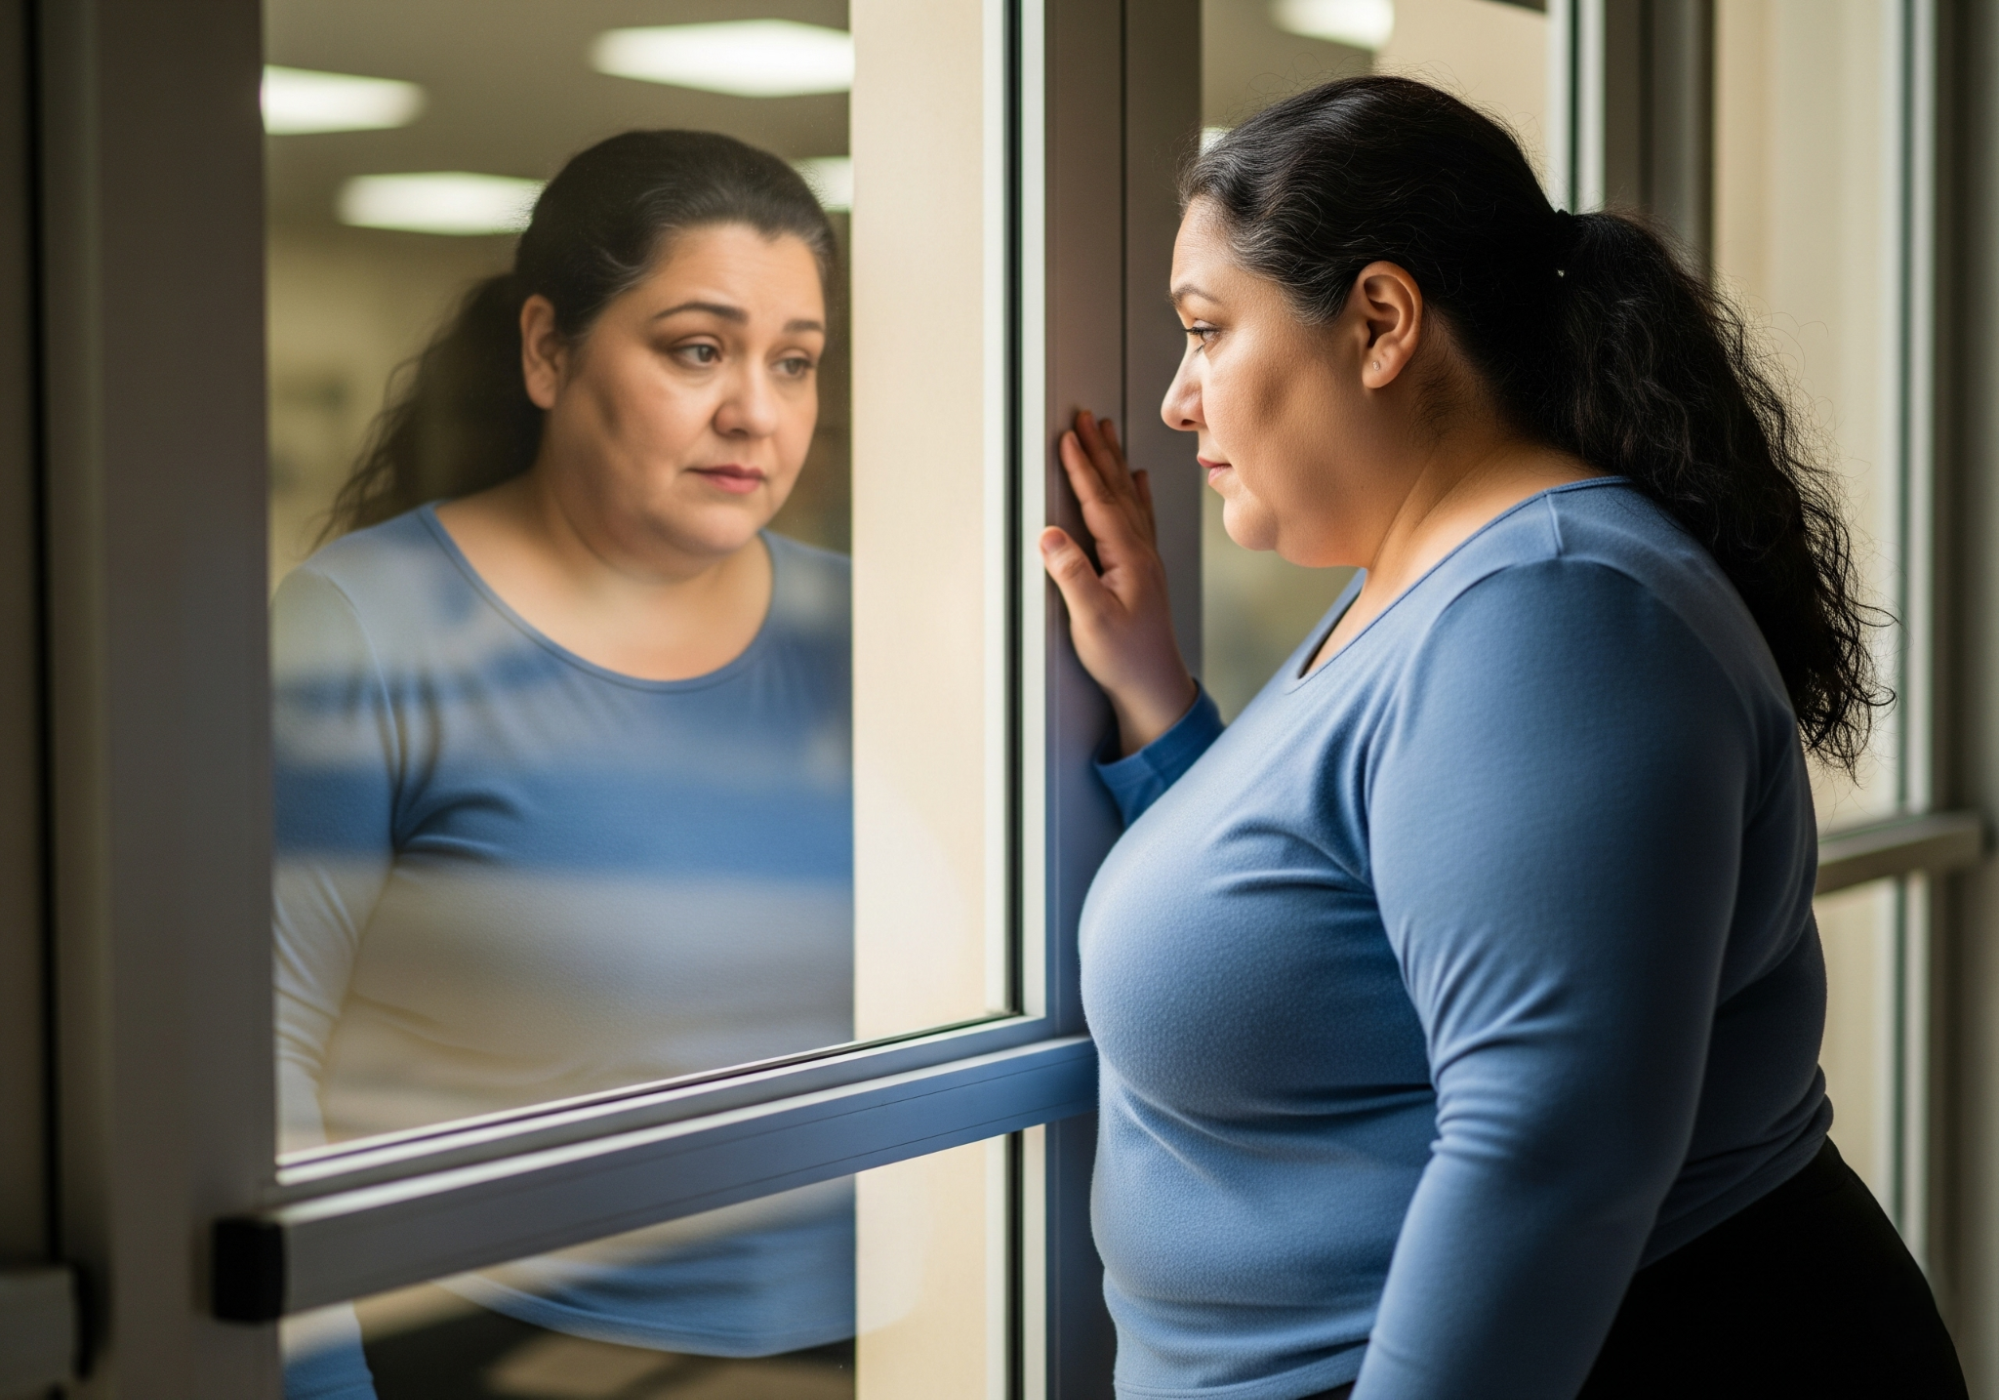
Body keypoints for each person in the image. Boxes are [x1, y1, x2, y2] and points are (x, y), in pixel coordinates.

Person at [1038, 76, 1967, 1399]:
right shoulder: (1436, 586)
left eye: (1204, 331)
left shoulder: (1549, 611)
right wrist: (1151, 695)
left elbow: (1545, 1157)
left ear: (1377, 321)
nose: (1178, 399)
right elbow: (1337, 929)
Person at [272, 130, 855, 1398]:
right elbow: (252, 1064)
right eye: (696, 349)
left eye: (794, 361)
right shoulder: (362, 623)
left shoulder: (869, 635)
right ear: (548, 349)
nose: (755, 408)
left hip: (889, 1342)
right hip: (505, 1352)